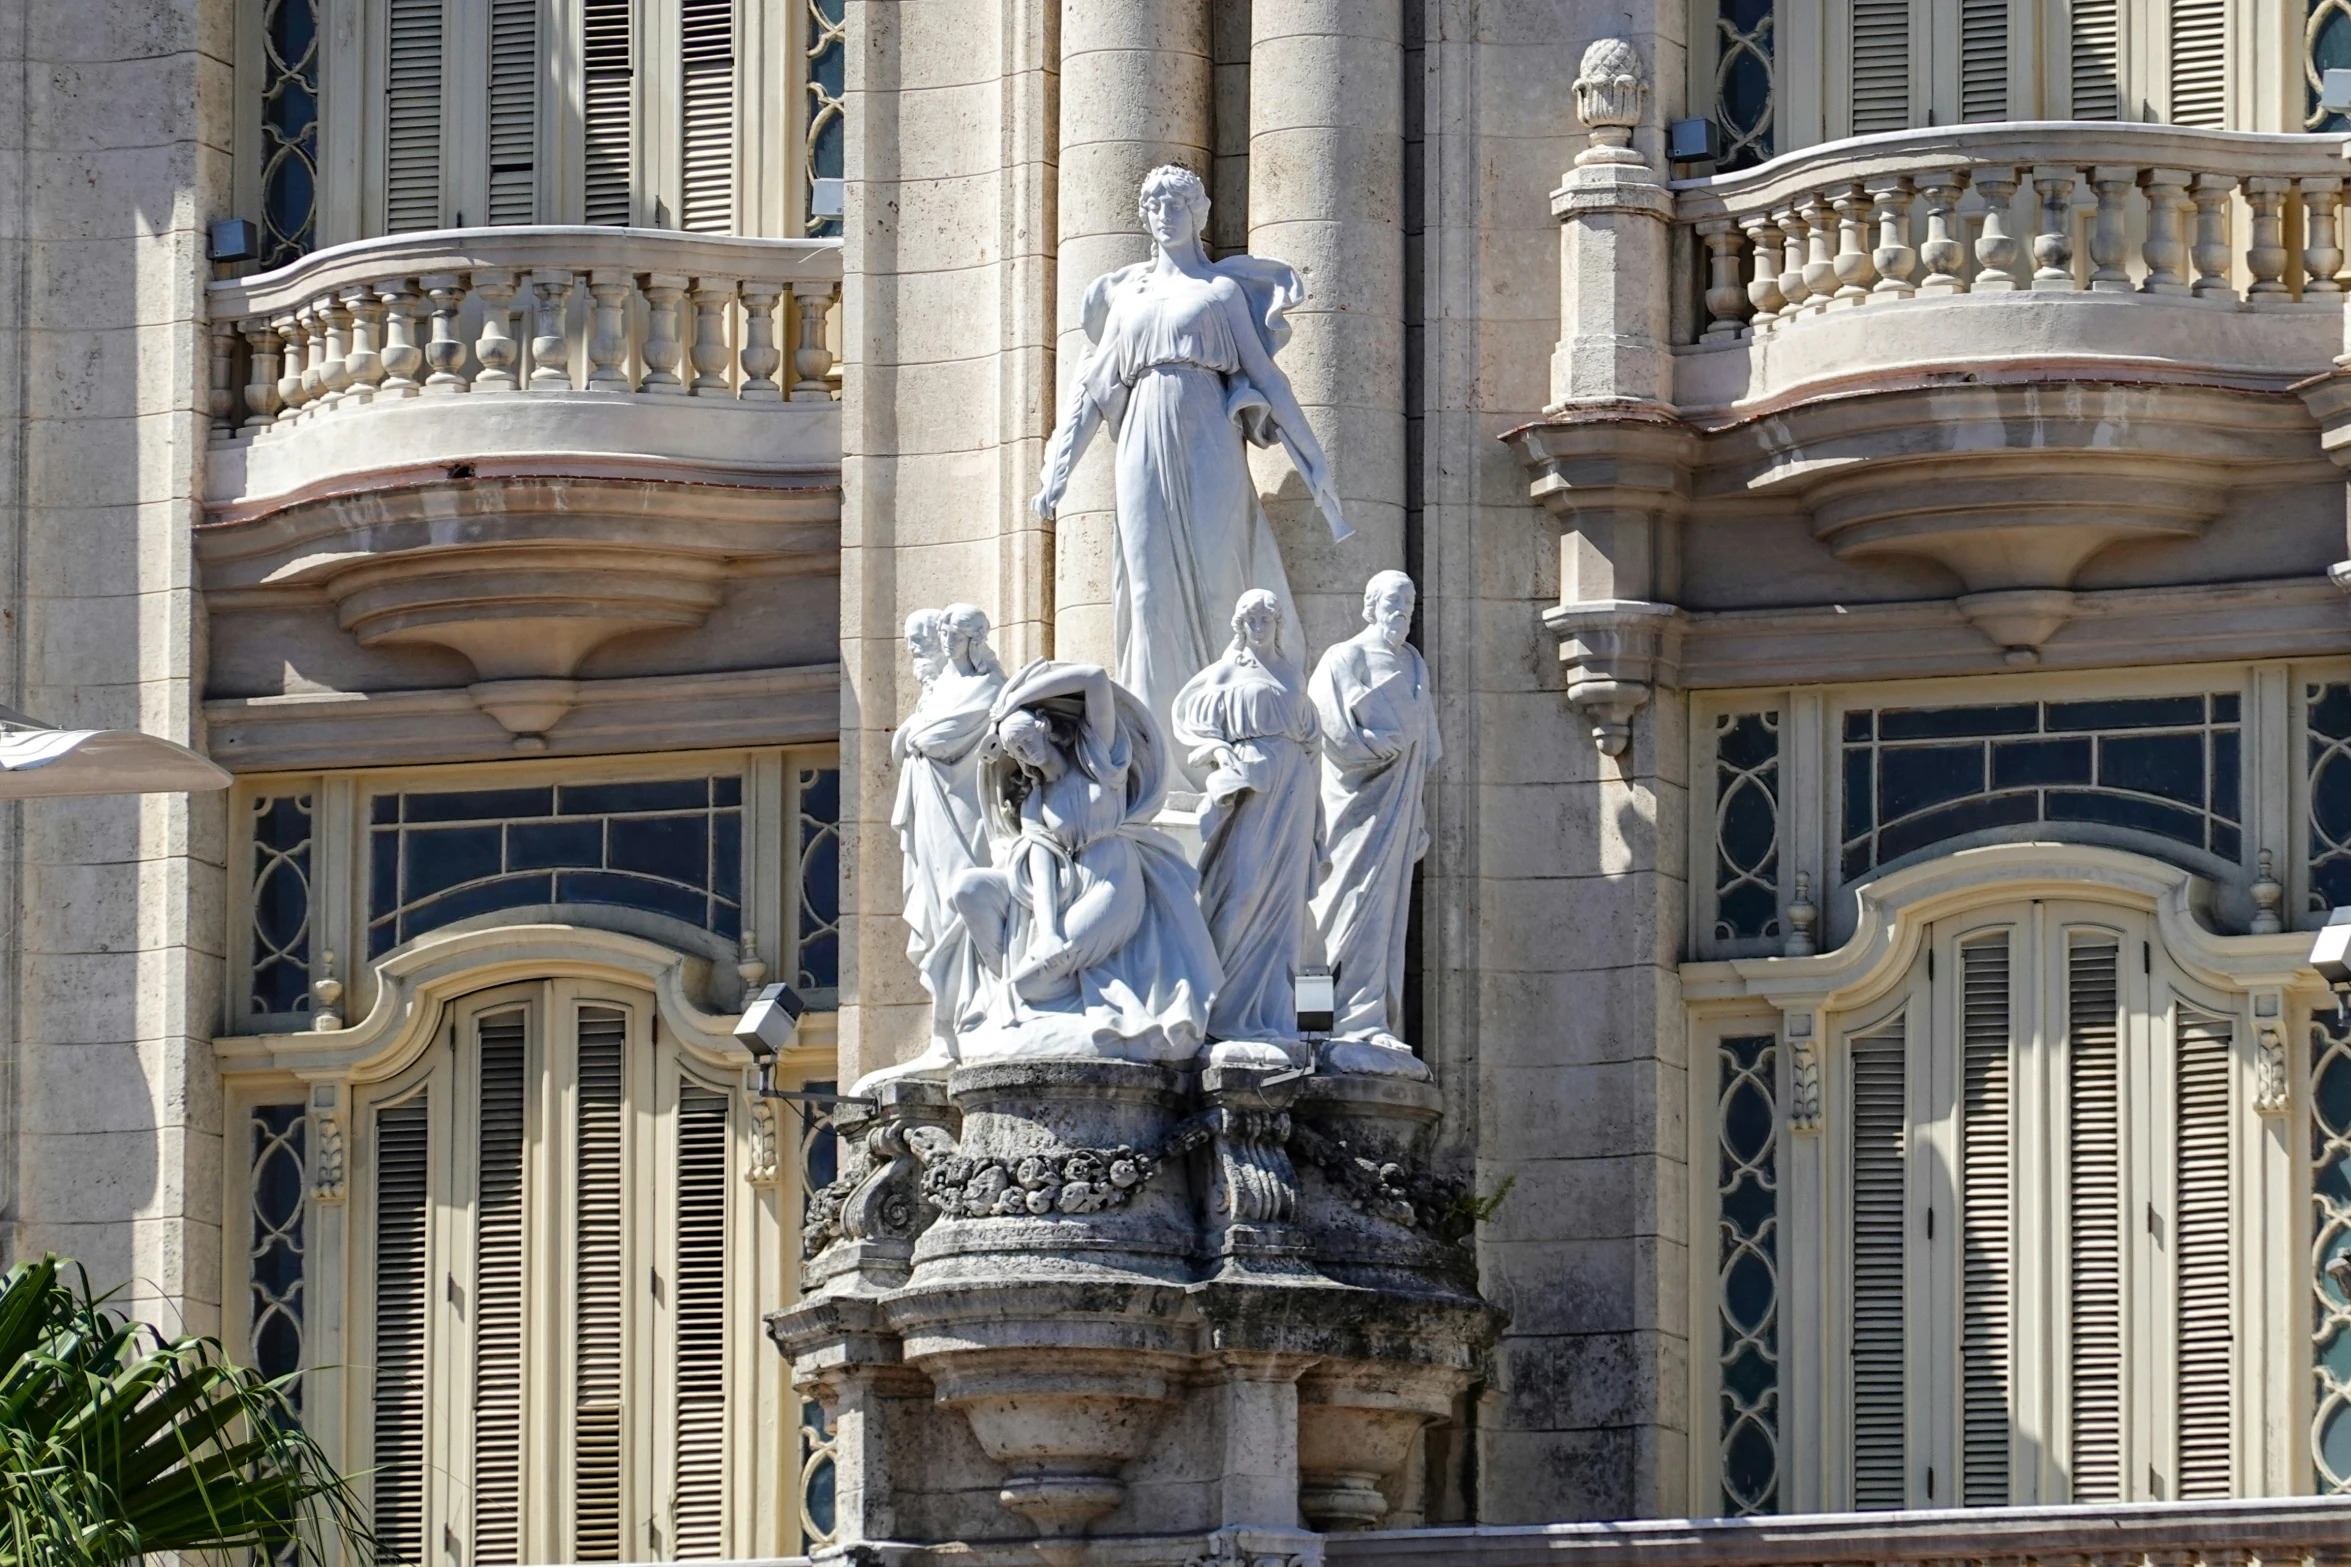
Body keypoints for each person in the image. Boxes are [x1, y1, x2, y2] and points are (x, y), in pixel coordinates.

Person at [1032, 164, 1349, 762]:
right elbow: (1092, 390)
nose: (1164, 213)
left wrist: (1312, 458)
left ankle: (1224, 733)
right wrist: (1059, 468)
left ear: (1200, 213)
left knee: (1218, 577)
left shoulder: (1220, 294)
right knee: (1148, 590)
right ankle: (1160, 757)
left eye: (1177, 203)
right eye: (1154, 204)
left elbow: (1267, 378)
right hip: (1141, 447)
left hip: (1207, 440)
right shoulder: (1126, 298)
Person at [948, 660, 1223, 1064]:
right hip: (1063, 888)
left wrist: (1007, 707)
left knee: (1047, 971)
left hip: (1113, 874)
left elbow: (1094, 679)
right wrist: (1048, 933)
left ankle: (1090, 1008)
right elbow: (1040, 864)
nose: (1025, 751)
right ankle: (1025, 1003)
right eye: (1015, 749)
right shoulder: (1035, 801)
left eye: (1026, 738)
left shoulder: (1098, 760)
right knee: (972, 896)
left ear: (1043, 726)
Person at [1171, 590, 1323, 1057]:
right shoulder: (1225, 673)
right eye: (1251, 618)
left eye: (1266, 617)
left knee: (1286, 902)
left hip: (1294, 792)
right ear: (1239, 624)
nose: (1259, 625)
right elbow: (1188, 719)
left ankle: (1276, 1015)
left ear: (1278, 623)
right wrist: (1221, 754)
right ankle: (1221, 1009)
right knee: (1243, 889)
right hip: (1252, 790)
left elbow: (1311, 736)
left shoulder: (1290, 674)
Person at [1309, 571, 1440, 1078]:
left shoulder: (1413, 663)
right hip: (1349, 804)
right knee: (1333, 907)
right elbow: (1328, 728)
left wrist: (1421, 814)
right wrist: (1370, 746)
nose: (1401, 610)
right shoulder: (1343, 658)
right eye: (1393, 601)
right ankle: (1314, 1020)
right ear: (1369, 605)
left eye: (1409, 602)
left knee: (1381, 916)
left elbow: (1424, 747)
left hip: (1398, 806)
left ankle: (1365, 1017)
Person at [889, 606, 1005, 1066]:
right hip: (930, 818)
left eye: (952, 635)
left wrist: (917, 735)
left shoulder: (989, 687)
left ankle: (975, 1022)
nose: (945, 642)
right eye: (942, 634)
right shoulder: (939, 690)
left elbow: (932, 739)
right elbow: (905, 743)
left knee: (964, 908)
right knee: (936, 916)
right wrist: (916, 734)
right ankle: (946, 1032)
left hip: (965, 816)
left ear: (974, 639)